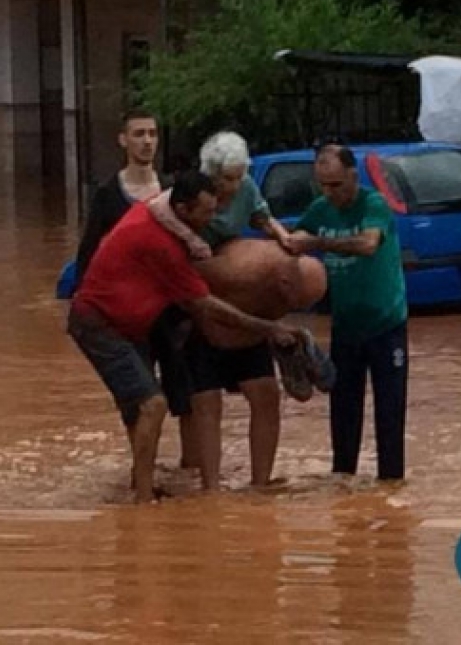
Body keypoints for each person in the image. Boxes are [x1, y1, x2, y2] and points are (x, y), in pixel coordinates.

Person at [68, 171, 301, 502]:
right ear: (181, 209)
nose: (213, 219)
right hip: (100, 324)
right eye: (206, 212)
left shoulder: (159, 212)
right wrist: (269, 328)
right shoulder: (160, 243)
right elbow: (203, 304)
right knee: (153, 404)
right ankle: (143, 501)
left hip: (129, 323)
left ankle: (141, 486)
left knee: (137, 408)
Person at [147, 131, 295, 488]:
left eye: (239, 176)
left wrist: (283, 239)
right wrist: (191, 241)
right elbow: (156, 211)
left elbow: (262, 217)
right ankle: (211, 489)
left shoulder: (246, 189)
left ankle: (260, 485)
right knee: (206, 401)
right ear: (211, 176)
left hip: (240, 300)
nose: (234, 185)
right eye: (228, 179)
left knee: (265, 393)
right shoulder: (190, 195)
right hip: (198, 307)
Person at [73, 108, 202, 470]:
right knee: (138, 400)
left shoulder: (173, 191)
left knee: (187, 393)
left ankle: (192, 472)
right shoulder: (107, 194)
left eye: (152, 134)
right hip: (128, 316)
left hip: (172, 314)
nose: (147, 141)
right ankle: (143, 471)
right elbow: (90, 253)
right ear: (123, 140)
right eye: (139, 134)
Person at [286, 144, 409, 481]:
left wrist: (318, 244)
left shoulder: (374, 204)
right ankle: (343, 485)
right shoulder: (320, 209)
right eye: (323, 185)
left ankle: (391, 485)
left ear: (353, 176)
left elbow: (368, 244)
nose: (330, 193)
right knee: (343, 414)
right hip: (345, 327)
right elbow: (295, 240)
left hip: (386, 326)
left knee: (390, 413)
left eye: (336, 185)